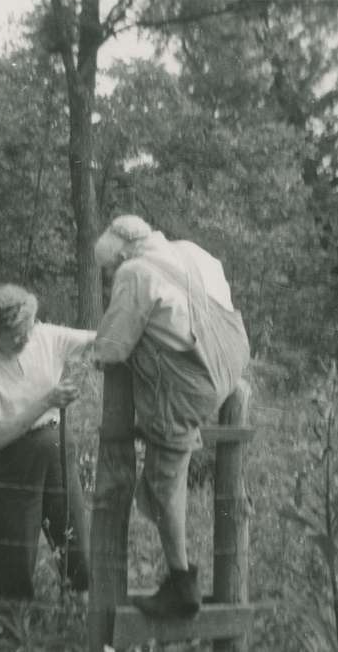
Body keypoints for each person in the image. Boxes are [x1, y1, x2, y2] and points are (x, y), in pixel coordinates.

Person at [93, 215, 250, 619]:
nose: (110, 275)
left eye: (108, 269)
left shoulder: (134, 272)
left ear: (122, 253)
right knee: (169, 475)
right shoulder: (191, 252)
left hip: (187, 386)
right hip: (228, 368)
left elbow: (111, 347)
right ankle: (180, 581)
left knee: (164, 482)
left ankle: (182, 587)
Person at [0, 283, 94, 614]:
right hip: (13, 459)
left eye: (28, 329)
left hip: (59, 446)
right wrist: (47, 400)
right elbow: (0, 434)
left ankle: (80, 611)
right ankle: (16, 623)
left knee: (75, 532)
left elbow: (99, 340)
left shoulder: (44, 335)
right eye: (15, 335)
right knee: (14, 547)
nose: (25, 339)